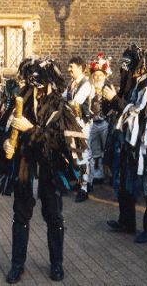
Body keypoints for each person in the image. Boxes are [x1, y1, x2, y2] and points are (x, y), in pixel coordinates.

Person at [0, 58, 87, 283]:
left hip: (49, 169)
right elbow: (3, 131)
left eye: (38, 86)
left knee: (54, 218)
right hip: (25, 167)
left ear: (48, 84)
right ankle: (17, 265)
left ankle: (57, 264)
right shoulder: (19, 103)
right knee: (20, 216)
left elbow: (60, 142)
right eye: (31, 85)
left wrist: (32, 129)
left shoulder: (59, 106)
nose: (34, 91)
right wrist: (6, 143)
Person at [107, 45, 147, 244]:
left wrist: (115, 100)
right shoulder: (133, 83)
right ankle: (127, 221)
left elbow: (140, 114)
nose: (124, 70)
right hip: (128, 140)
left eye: (128, 66)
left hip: (146, 142)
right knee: (125, 179)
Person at [87, 53, 123, 186]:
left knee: (107, 148)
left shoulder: (109, 88)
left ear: (105, 76)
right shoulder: (89, 88)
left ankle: (110, 174)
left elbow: (115, 104)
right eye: (95, 75)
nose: (97, 77)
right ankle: (98, 174)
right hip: (92, 122)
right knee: (95, 149)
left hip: (105, 122)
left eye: (100, 75)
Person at [64, 56, 92, 202]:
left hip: (83, 124)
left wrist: (63, 104)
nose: (69, 70)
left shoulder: (86, 84)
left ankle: (84, 188)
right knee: (76, 154)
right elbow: (64, 97)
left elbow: (75, 103)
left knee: (83, 155)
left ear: (80, 68)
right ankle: (82, 182)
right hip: (73, 124)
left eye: (72, 67)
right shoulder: (72, 83)